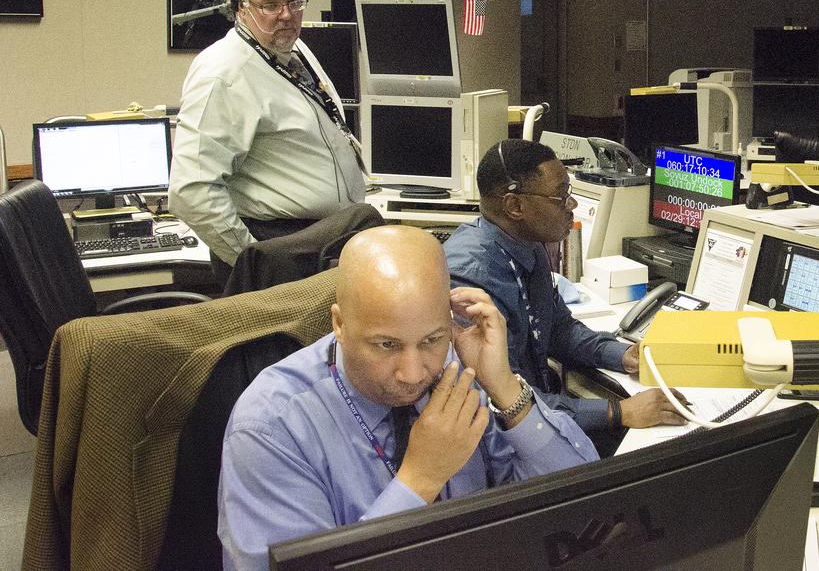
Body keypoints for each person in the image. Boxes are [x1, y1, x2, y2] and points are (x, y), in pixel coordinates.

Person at [217, 225, 597, 571]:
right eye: (387, 345)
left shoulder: (459, 368)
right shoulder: (270, 427)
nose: (414, 373)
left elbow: (586, 505)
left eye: (432, 339)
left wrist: (504, 387)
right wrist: (419, 480)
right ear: (339, 324)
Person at [444, 139, 685, 453]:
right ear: (515, 206)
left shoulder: (527, 244)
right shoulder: (469, 278)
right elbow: (501, 399)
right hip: (506, 439)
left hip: (542, 411)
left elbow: (558, 329)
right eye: (561, 195)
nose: (570, 204)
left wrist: (621, 355)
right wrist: (620, 411)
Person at [169, 0, 364, 284]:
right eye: (270, 4)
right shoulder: (223, 72)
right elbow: (191, 190)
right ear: (240, 8)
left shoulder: (293, 49)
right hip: (278, 248)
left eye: (294, 1)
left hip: (320, 244)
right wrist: (255, 264)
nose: (287, 14)